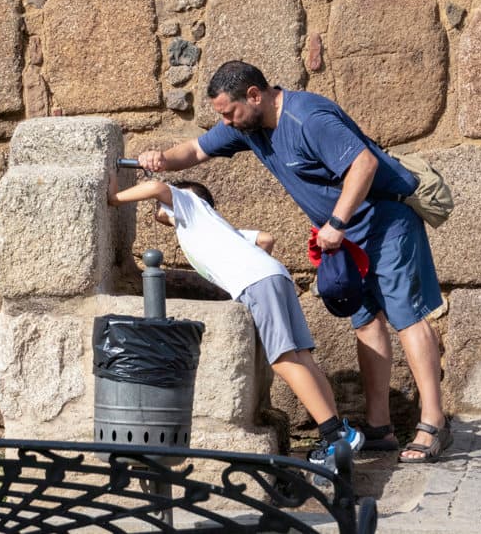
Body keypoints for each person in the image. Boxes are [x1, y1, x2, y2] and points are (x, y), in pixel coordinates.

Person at [137, 60, 452, 463]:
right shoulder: (248, 128)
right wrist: (160, 160)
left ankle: (432, 423)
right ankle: (380, 428)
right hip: (343, 237)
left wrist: (336, 222)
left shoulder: (307, 117)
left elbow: (364, 164)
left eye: (229, 112)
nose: (227, 122)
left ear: (255, 95)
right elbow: (196, 150)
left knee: (406, 315)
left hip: (385, 221)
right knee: (366, 320)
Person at [106, 172, 364, 473]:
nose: (158, 211)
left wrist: (114, 198)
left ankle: (334, 434)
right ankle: (339, 434)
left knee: (281, 358)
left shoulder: (191, 205)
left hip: (258, 281)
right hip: (273, 275)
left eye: (165, 205)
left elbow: (156, 187)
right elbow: (266, 239)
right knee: (301, 356)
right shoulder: (215, 228)